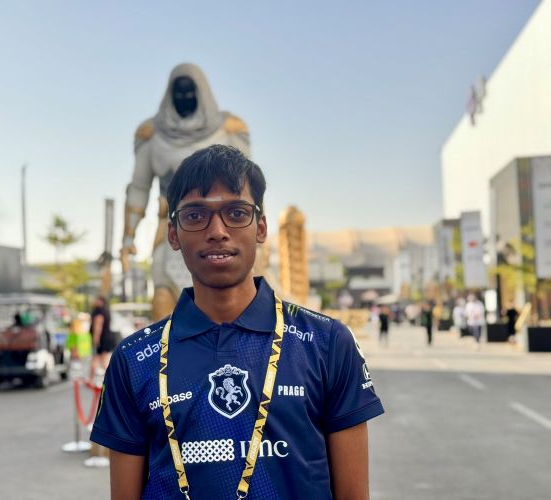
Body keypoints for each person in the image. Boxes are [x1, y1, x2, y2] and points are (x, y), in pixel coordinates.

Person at [91, 145, 384, 499]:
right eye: (195, 215)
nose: (217, 230)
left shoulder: (327, 342)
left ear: (260, 227)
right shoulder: (134, 359)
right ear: (173, 235)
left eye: (236, 212)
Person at [120, 63, 251, 321]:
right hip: (172, 231)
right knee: (163, 299)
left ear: (201, 92)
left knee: (230, 304)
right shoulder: (152, 135)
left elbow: (249, 189)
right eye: (178, 93)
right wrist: (128, 237)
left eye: (190, 92)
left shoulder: (229, 130)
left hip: (224, 231)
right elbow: (139, 189)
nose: (184, 98)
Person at [90, 295, 116, 378]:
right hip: (106, 338)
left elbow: (98, 325)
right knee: (103, 360)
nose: (94, 301)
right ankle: (110, 379)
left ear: (101, 302)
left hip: (102, 339)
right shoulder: (106, 311)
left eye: (96, 300)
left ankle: (92, 379)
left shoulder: (99, 311)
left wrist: (96, 338)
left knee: (99, 359)